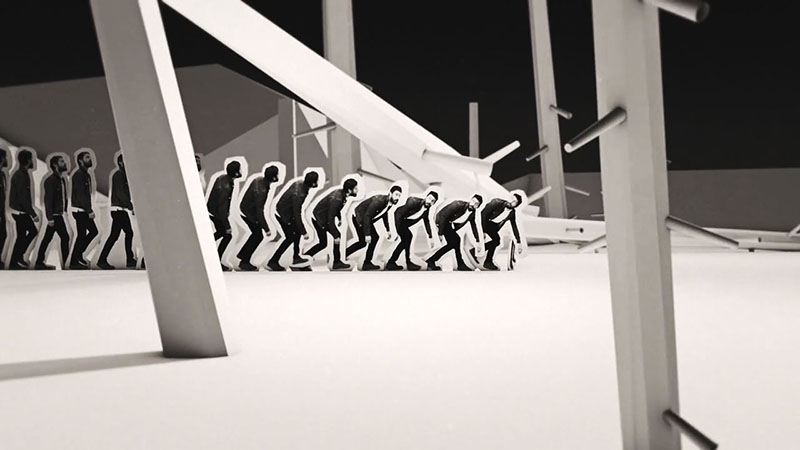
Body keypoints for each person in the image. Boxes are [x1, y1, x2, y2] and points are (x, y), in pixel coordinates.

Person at [266, 170, 319, 271]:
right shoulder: (299, 194)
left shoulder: (300, 183)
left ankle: (296, 258)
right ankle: (273, 261)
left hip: (285, 211)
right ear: (313, 183)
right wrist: (304, 232)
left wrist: (300, 230)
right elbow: (297, 213)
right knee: (290, 237)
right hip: (283, 214)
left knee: (296, 234)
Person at [304, 177, 359, 271]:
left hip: (321, 216)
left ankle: (306, 259)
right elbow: (330, 218)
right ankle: (335, 263)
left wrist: (340, 218)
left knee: (326, 241)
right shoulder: (337, 198)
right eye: (355, 188)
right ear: (350, 190)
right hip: (320, 219)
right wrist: (335, 235)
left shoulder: (342, 194)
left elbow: (335, 209)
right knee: (327, 241)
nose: (357, 190)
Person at [345, 185, 402, 271]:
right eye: (396, 194)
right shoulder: (379, 201)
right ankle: (366, 263)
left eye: (399, 195)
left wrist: (388, 230)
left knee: (365, 241)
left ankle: (346, 255)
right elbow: (367, 216)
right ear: (390, 193)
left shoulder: (389, 203)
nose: (398, 197)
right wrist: (367, 234)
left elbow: (384, 214)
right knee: (369, 239)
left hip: (365, 218)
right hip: (359, 217)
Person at [235, 165, 280, 271]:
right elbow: (260, 210)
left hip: (246, 209)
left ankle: (243, 256)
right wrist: (266, 228)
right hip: (249, 212)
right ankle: (244, 261)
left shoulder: (259, 180)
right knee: (257, 235)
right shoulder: (262, 190)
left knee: (256, 234)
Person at [97, 154, 137, 270]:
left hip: (119, 210)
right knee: (127, 233)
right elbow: (121, 193)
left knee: (116, 235)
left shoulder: (122, 175)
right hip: (119, 209)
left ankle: (103, 260)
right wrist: (130, 206)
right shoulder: (119, 175)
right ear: (120, 162)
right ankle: (129, 260)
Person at [425, 194, 484, 271]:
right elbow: (443, 215)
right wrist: (440, 233)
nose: (473, 204)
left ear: (478, 206)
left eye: (476, 203)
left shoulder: (472, 213)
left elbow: (473, 225)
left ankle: (432, 260)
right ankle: (460, 264)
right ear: (470, 200)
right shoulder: (458, 204)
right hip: (441, 220)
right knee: (456, 241)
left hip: (448, 222)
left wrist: (478, 240)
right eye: (473, 201)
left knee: (453, 243)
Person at [384, 191, 439, 271]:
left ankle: (395, 262)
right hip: (399, 220)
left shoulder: (427, 209)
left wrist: (430, 236)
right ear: (426, 197)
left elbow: (426, 221)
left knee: (406, 240)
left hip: (405, 223)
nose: (429, 201)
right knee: (407, 238)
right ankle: (401, 262)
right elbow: (399, 213)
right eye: (429, 198)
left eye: (432, 201)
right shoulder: (413, 201)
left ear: (434, 203)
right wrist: (396, 231)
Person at [34, 155, 71, 270]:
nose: (64, 163)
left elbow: (63, 196)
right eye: (61, 161)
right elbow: (48, 200)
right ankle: (66, 263)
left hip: (58, 214)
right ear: (55, 165)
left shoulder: (61, 179)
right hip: (54, 216)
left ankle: (40, 262)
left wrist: (64, 209)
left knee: (49, 238)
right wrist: (50, 217)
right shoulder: (51, 180)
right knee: (64, 237)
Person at [206, 160, 242, 271]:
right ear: (236, 172)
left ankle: (206, 247)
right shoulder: (226, 186)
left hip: (213, 211)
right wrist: (227, 226)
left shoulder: (224, 178)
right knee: (227, 235)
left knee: (221, 233)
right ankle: (215, 260)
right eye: (239, 169)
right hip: (216, 213)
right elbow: (222, 207)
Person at [8, 148, 39, 270]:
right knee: (32, 232)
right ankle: (16, 259)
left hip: (19, 210)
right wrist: (33, 214)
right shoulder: (21, 175)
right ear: (27, 160)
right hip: (20, 211)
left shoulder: (22, 174)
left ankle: (16, 260)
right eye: (31, 159)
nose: (33, 161)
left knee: (21, 235)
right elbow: (23, 197)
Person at [477, 193, 523, 271]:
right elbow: (483, 214)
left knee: (496, 241)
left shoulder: (512, 213)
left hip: (493, 227)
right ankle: (487, 260)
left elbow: (514, 226)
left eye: (514, 201)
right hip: (484, 222)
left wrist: (518, 241)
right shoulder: (497, 203)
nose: (511, 201)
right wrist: (482, 231)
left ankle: (486, 260)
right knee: (496, 240)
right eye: (512, 198)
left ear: (516, 205)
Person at [69, 150, 99, 270]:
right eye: (87, 157)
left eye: (90, 157)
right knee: (90, 232)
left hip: (81, 209)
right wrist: (89, 210)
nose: (90, 159)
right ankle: (75, 259)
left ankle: (77, 258)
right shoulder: (79, 175)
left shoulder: (85, 174)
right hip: (80, 210)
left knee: (84, 234)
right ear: (80, 161)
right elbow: (81, 195)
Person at [0, 149, 8, 269]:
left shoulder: (2, 174)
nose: (7, 159)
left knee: (3, 234)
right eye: (5, 157)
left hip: (2, 209)